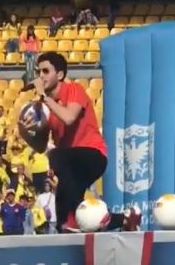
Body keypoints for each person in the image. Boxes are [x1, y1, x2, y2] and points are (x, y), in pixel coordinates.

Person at [18, 52, 141, 233]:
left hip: (92, 154)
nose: (40, 76)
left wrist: (44, 97)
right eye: (38, 71)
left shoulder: (74, 89)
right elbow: (41, 146)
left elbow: (69, 117)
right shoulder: (46, 107)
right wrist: (25, 132)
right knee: (69, 214)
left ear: (59, 75)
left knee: (57, 156)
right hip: (69, 165)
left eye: (45, 71)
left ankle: (72, 220)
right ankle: (125, 218)